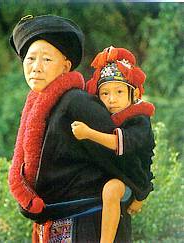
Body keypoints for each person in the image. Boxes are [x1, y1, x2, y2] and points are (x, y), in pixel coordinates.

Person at [8, 15, 133, 243]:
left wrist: (139, 188)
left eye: (46, 59)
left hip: (88, 225)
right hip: (54, 224)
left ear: (65, 66)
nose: (36, 67)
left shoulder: (77, 102)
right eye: (30, 59)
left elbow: (122, 150)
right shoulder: (38, 105)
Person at [71, 46, 155, 243]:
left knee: (111, 189)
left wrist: (88, 133)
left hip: (133, 178)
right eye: (105, 94)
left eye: (118, 91)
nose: (112, 99)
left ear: (133, 94)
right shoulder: (103, 117)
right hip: (112, 172)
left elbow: (118, 143)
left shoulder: (139, 120)